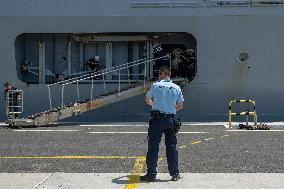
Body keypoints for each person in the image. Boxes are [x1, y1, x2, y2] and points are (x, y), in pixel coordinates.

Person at [140, 66, 184, 182]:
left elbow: (147, 99)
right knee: (172, 147)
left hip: (157, 120)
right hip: (170, 120)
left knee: (153, 147)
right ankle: (175, 174)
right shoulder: (176, 87)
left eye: (159, 73)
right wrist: (170, 108)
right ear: (169, 74)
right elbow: (180, 105)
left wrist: (155, 105)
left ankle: (151, 174)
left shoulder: (155, 85)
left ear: (161, 74)